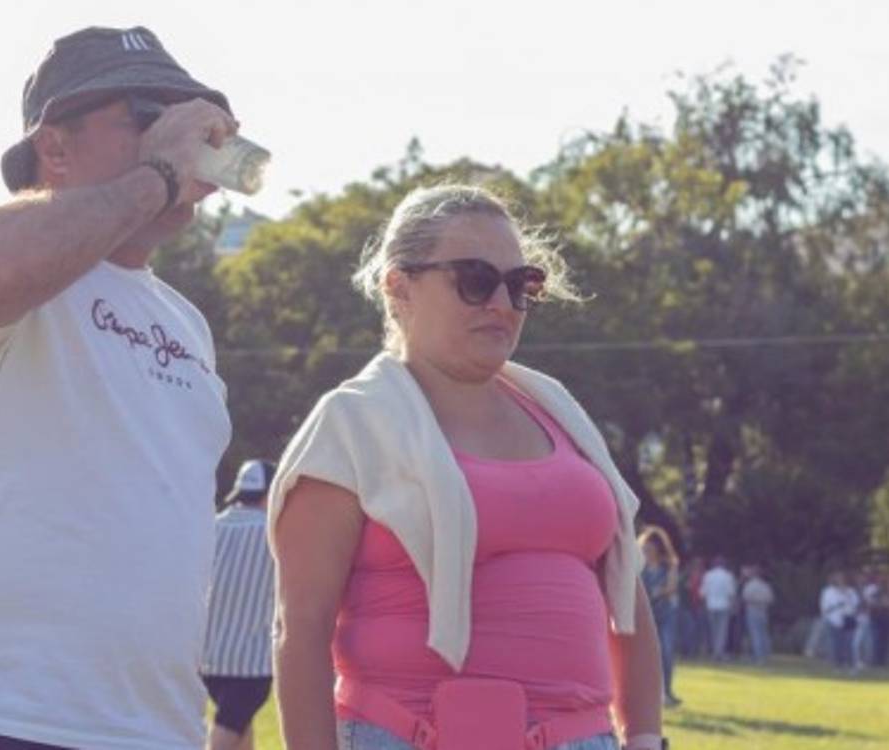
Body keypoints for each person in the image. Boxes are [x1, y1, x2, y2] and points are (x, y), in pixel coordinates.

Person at [0, 26, 240, 750]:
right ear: (54, 148)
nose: (177, 138)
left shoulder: (187, 323)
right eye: (148, 116)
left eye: (190, 121)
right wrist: (161, 175)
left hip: (158, 730)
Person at [269, 185, 665, 750]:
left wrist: (646, 737)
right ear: (398, 286)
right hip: (411, 735)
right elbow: (300, 630)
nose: (501, 304)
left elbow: (626, 594)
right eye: (475, 280)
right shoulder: (354, 422)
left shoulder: (559, 411)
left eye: (519, 284)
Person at [201, 460, 278, 750]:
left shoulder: (213, 527)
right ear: (270, 494)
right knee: (226, 733)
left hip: (209, 660)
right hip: (252, 663)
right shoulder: (275, 535)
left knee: (240, 732)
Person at [638, 527, 682, 708]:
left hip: (666, 614)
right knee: (646, 655)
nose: (646, 552)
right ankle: (650, 694)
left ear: (657, 548)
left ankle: (668, 692)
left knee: (667, 651)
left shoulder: (669, 566)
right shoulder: (642, 568)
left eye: (649, 549)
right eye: (644, 549)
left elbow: (672, 588)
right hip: (648, 614)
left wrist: (659, 591)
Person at [819, 571, 859, 672]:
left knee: (848, 644)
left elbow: (855, 604)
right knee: (836, 644)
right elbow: (825, 607)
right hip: (833, 621)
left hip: (848, 619)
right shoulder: (828, 591)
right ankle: (837, 665)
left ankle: (851, 665)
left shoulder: (850, 591)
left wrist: (845, 593)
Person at [700, 557, 737, 661]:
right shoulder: (728, 576)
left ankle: (715, 652)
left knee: (713, 630)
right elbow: (731, 593)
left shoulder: (708, 575)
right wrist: (733, 606)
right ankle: (718, 652)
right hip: (724, 605)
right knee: (722, 631)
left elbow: (703, 593)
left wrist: (704, 604)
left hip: (711, 605)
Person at [740, 565, 775, 665]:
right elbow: (770, 599)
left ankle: (758, 656)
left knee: (755, 634)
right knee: (763, 633)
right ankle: (766, 654)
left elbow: (745, 598)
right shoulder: (765, 586)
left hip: (752, 610)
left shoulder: (750, 585)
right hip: (763, 610)